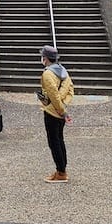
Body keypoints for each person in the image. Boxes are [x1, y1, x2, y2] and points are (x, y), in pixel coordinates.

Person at [39, 45, 74, 183]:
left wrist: (60, 109)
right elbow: (70, 90)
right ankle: (61, 169)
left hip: (52, 112)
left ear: (45, 58)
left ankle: (61, 173)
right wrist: (64, 106)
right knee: (59, 141)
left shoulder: (48, 74)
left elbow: (53, 95)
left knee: (54, 143)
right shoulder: (63, 71)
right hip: (61, 111)